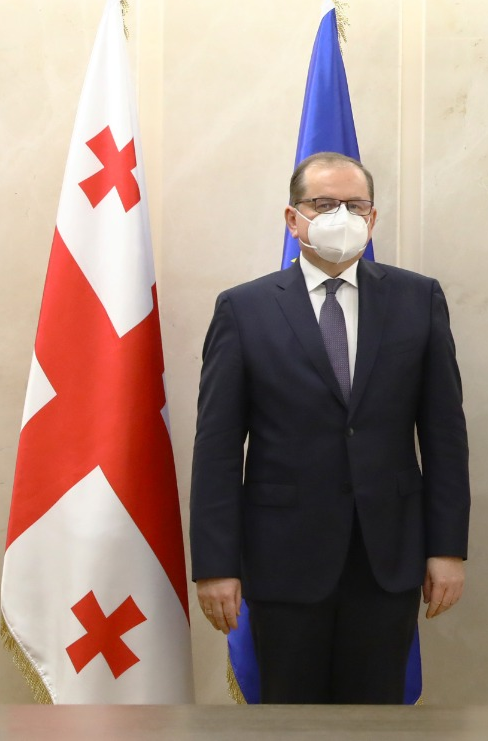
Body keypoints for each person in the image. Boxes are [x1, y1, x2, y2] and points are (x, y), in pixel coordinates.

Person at [189, 151, 470, 704]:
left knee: (377, 720)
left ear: (372, 218)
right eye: (323, 204)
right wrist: (215, 566)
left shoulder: (418, 299)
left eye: (355, 205)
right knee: (292, 722)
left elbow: (444, 435)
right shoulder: (244, 309)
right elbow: (217, 448)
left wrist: (448, 549)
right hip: (282, 558)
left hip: (387, 556)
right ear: (293, 220)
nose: (341, 216)